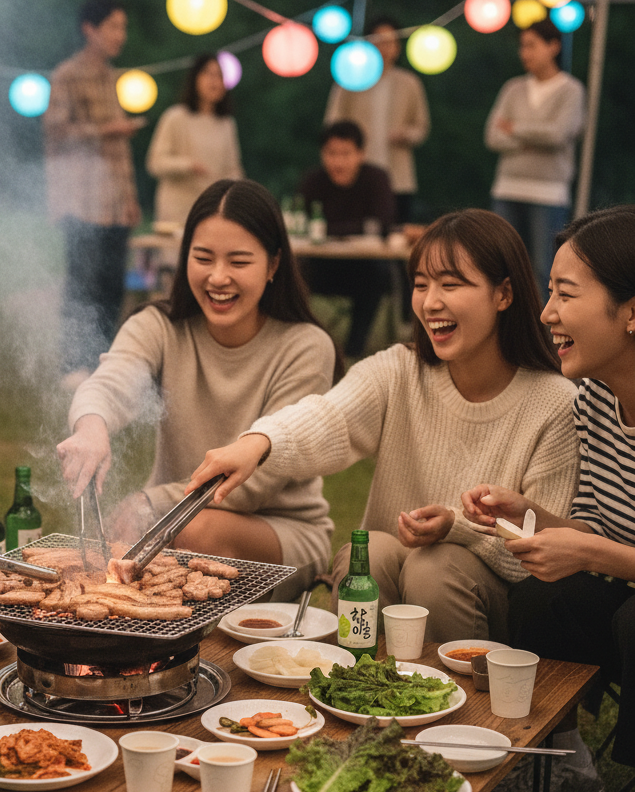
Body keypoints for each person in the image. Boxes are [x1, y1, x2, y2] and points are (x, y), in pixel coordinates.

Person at [186, 208, 579, 643]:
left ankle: (459, 707)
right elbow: (328, 415)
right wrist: (260, 442)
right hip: (394, 572)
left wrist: (457, 525)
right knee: (368, 553)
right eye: (420, 284)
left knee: (434, 567)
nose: (430, 302)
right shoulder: (400, 370)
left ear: (503, 294)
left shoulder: (554, 403)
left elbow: (540, 550)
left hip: (498, 611)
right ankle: (360, 689)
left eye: (451, 284)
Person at [57, 179, 339, 597]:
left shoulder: (305, 347)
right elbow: (113, 381)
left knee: (197, 530)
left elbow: (254, 484)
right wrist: (91, 427)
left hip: (279, 529)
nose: (218, 277)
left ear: (274, 264)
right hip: (168, 526)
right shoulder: (159, 326)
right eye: (203, 257)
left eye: (239, 261)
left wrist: (150, 504)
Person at [463, 206, 635, 792]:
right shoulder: (594, 396)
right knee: (544, 597)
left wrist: (587, 554)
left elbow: (597, 551)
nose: (545, 313)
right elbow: (595, 524)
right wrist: (528, 512)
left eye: (566, 294)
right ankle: (561, 763)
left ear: (631, 311)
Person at [44, 0, 144, 388]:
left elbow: (119, 150)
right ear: (90, 29)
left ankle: (103, 362)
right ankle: (73, 365)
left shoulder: (113, 76)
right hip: (81, 200)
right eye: (114, 27)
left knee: (112, 285)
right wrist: (106, 130)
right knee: (81, 285)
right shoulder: (66, 75)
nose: (121, 35)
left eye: (123, 27)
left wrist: (131, 197)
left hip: (115, 202)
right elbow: (55, 132)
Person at [485, 18, 585, 298]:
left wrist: (516, 129)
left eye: (531, 45)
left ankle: (544, 336)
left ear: (553, 46)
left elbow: (559, 135)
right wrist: (537, 137)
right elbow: (493, 136)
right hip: (507, 187)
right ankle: (503, 333)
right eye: (522, 46)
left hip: (549, 192)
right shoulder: (513, 88)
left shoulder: (571, 90)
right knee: (499, 264)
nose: (524, 52)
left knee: (545, 269)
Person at [299, 120, 397, 357]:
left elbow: (383, 223)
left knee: (377, 274)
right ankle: (304, 343)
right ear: (322, 154)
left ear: (360, 154)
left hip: (362, 267)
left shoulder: (376, 179)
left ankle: (354, 349)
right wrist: (358, 227)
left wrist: (328, 229)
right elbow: (300, 224)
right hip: (321, 266)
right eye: (331, 153)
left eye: (346, 154)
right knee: (293, 272)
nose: (338, 161)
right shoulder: (313, 181)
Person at [324, 15, 430, 224]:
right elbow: (332, 123)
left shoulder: (409, 82)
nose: (384, 47)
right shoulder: (351, 77)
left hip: (398, 176)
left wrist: (405, 134)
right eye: (378, 40)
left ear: (398, 46)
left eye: (390, 41)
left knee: (396, 233)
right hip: (356, 173)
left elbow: (421, 126)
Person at [145, 53, 244, 226]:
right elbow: (155, 163)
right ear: (195, 79)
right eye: (208, 74)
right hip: (178, 212)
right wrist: (188, 165)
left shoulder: (226, 123)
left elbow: (233, 168)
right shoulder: (175, 117)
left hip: (213, 210)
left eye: (219, 76)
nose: (214, 81)